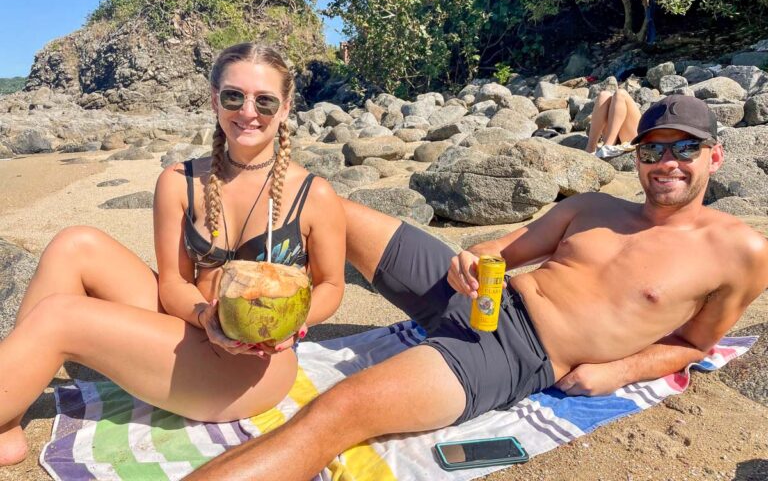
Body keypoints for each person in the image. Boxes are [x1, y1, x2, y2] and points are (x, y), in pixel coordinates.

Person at [185, 95, 768, 480]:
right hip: (482, 296)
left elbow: (694, 343)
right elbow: (501, 251)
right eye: (653, 149)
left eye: (685, 148)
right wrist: (473, 257)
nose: (667, 162)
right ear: (637, 157)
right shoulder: (593, 206)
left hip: (517, 353)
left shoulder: (740, 252)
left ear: (715, 157)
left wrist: (619, 372)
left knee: (336, 412)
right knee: (325, 204)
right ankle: (219, 305)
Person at [0, 43, 345, 466]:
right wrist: (204, 317)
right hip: (193, 325)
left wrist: (296, 325)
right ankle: (8, 415)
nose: (247, 111)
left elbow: (331, 285)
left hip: (253, 367)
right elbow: (174, 283)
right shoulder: (179, 181)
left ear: (286, 107)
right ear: (215, 99)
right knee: (73, 244)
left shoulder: (315, 194)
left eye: (265, 101)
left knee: (59, 316)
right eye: (233, 96)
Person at [585, 88, 642, 158]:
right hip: (619, 136)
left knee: (620, 94)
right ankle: (591, 148)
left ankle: (608, 145)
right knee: (604, 95)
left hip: (631, 139)